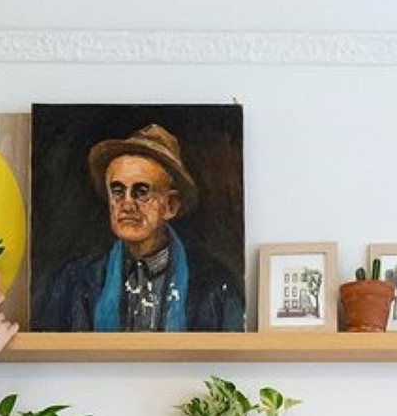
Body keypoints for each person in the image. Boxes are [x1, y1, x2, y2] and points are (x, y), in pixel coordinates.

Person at [35, 122, 245, 333]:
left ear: (170, 206)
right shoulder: (76, 280)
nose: (126, 204)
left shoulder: (214, 285)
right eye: (117, 191)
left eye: (141, 191)